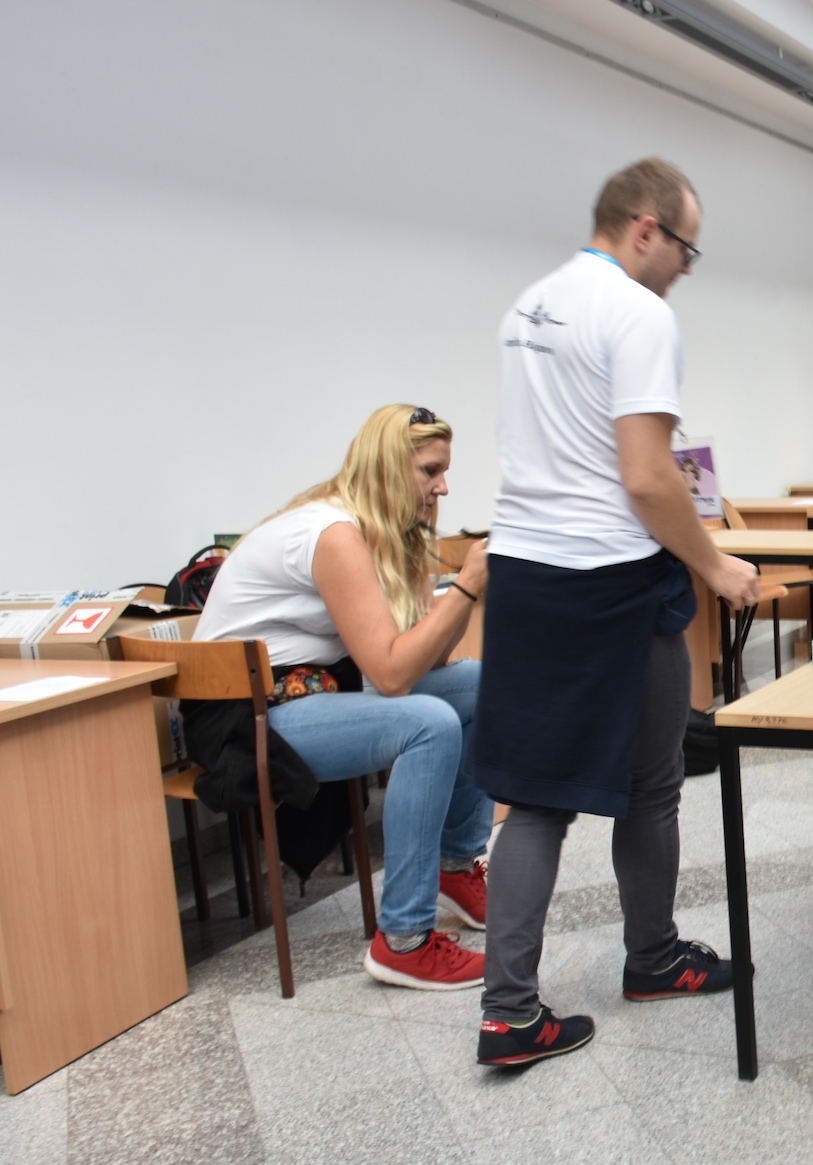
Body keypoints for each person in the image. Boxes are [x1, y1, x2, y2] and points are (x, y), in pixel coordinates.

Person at [473, 158, 762, 1067]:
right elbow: (644, 476)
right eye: (686, 248)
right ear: (646, 229)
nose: (685, 267)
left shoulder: (529, 306)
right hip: (609, 581)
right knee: (651, 784)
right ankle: (652, 958)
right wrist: (715, 564)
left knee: (535, 803)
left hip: (524, 570)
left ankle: (509, 1011)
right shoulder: (638, 313)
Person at [192, 405, 491, 989]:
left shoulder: (378, 532)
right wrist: (466, 586)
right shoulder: (334, 534)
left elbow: (425, 658)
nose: (443, 488)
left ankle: (456, 867)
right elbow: (393, 676)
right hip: (249, 718)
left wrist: (449, 590)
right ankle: (404, 940)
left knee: (485, 685)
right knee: (428, 723)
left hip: (314, 692)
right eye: (430, 471)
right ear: (388, 469)